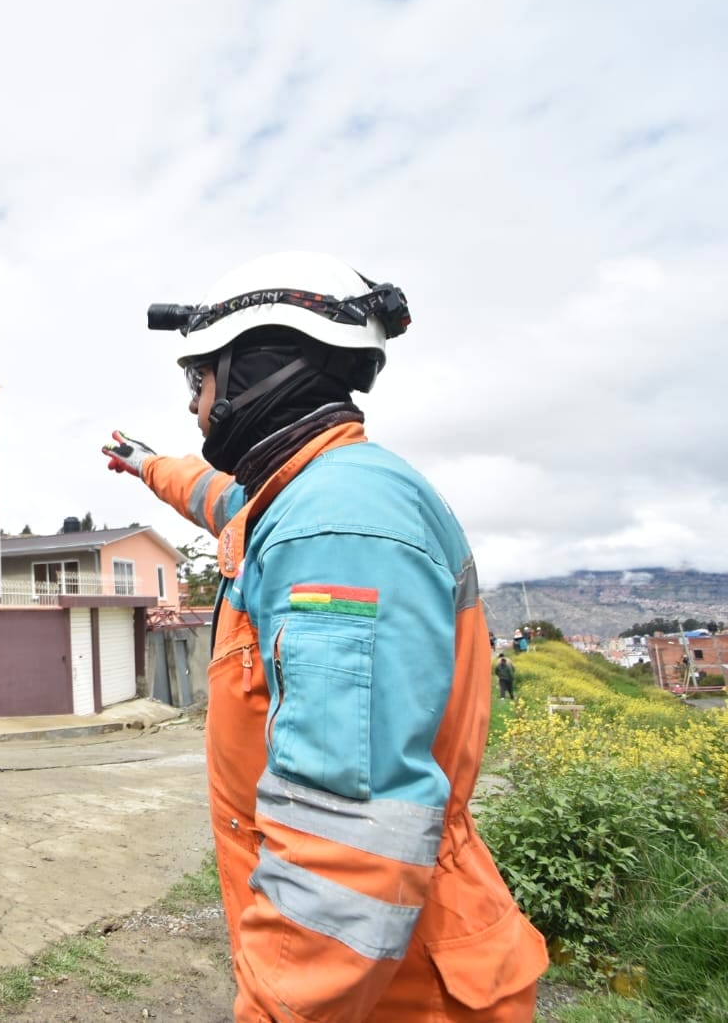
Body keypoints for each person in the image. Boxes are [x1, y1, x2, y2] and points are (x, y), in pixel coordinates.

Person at [103, 252, 545, 1020]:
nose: (193, 407)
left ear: (252, 371)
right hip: (391, 971)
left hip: (394, 993)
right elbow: (216, 496)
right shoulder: (304, 496)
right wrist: (145, 465)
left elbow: (348, 843)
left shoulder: (338, 528)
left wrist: (274, 1005)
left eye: (197, 381)